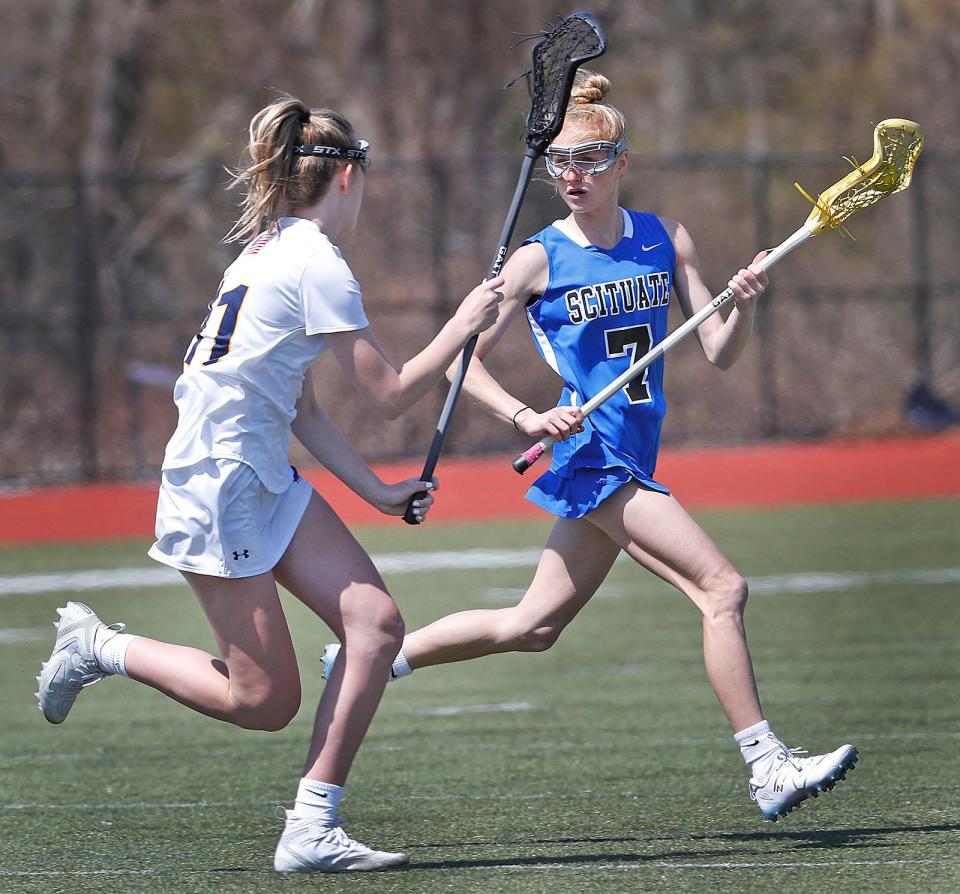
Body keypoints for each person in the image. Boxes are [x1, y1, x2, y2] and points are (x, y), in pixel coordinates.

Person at [322, 70, 859, 822]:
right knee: (723, 590)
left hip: (632, 453)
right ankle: (766, 765)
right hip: (592, 454)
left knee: (532, 627)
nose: (573, 175)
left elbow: (718, 352)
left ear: (622, 163)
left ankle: (368, 662)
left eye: (590, 160)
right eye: (561, 163)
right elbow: (461, 361)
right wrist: (524, 417)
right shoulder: (538, 258)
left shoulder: (665, 238)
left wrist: (741, 305)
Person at [35, 94, 504, 873]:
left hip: (258, 474)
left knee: (377, 626)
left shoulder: (270, 247)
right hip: (219, 485)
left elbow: (304, 406)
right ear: (347, 177)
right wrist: (463, 324)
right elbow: (388, 395)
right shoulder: (313, 259)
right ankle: (100, 646)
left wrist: (377, 492)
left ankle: (311, 828)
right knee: (264, 703)